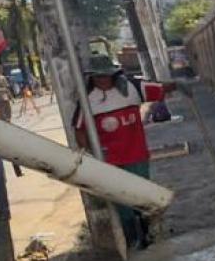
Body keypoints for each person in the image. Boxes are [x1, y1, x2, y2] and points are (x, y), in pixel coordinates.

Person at [72, 55, 170, 249]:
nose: (102, 80)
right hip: (110, 160)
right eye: (97, 77)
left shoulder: (132, 88)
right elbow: (79, 128)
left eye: (105, 76)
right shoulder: (87, 100)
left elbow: (159, 89)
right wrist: (90, 152)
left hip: (137, 154)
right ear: (92, 77)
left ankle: (149, 234)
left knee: (141, 195)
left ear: (113, 74)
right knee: (122, 202)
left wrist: (178, 85)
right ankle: (132, 238)